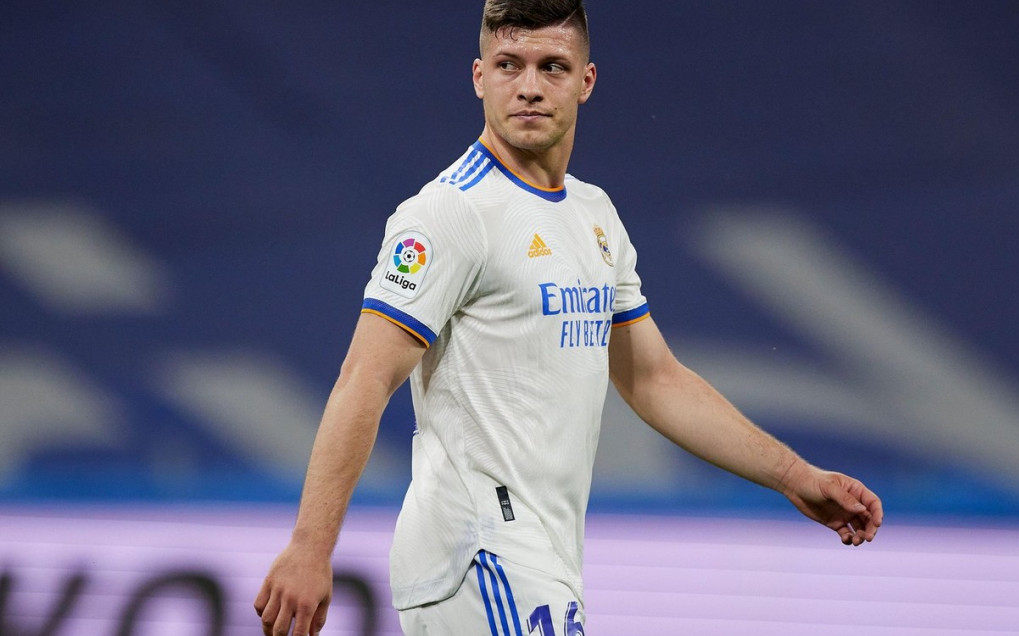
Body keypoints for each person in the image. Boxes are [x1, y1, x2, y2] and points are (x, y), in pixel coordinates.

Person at [254, 1, 884, 634]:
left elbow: (654, 379)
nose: (529, 86)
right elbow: (364, 378)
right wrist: (311, 547)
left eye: (552, 66)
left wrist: (795, 477)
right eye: (509, 65)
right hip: (481, 555)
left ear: (585, 81)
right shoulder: (449, 213)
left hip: (539, 560)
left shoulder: (594, 215)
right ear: (479, 78)